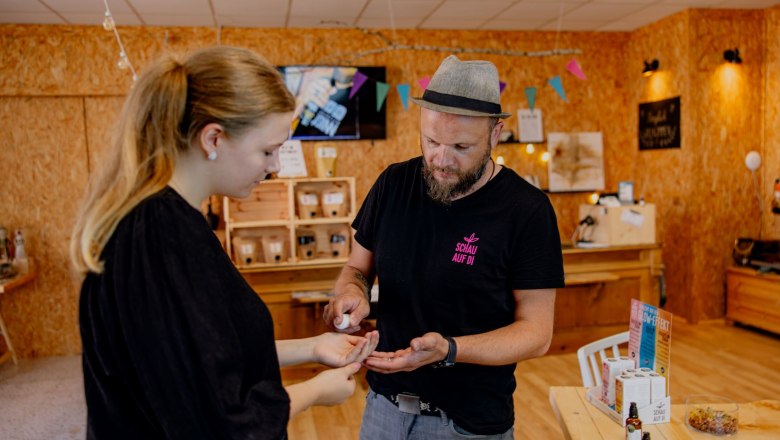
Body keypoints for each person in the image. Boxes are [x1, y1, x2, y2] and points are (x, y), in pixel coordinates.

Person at [69, 46, 378, 440]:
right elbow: (213, 420)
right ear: (213, 137)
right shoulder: (158, 236)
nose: (275, 167)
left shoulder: (175, 222)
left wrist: (313, 347)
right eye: (267, 151)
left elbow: (205, 356)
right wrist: (314, 391)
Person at [323, 55, 565, 439]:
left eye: (460, 146)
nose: (441, 159)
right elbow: (356, 269)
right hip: (383, 409)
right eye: (431, 141)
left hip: (467, 424)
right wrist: (351, 296)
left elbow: (537, 333)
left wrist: (449, 349)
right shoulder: (393, 184)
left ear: (495, 133)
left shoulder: (527, 210)